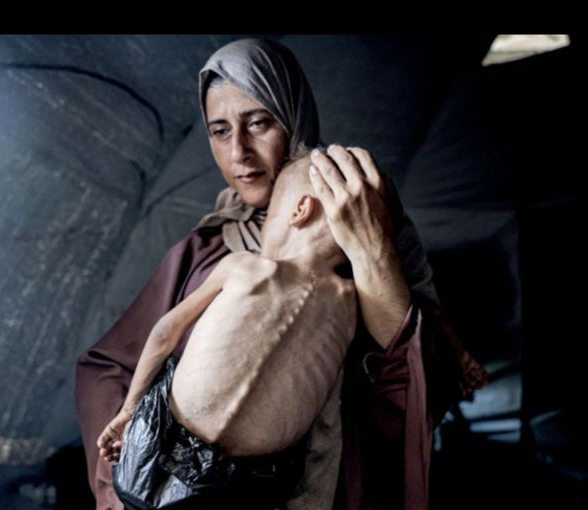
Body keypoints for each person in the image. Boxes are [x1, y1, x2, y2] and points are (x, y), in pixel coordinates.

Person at [76, 38, 487, 510]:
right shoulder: (205, 250)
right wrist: (124, 481)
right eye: (220, 131)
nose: (240, 153)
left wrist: (373, 251)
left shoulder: (364, 255)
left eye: (258, 123)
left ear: (293, 118)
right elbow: (107, 366)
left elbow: (412, 385)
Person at [97, 153, 359, 509]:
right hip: (213, 467)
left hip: (177, 455)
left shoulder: (245, 266)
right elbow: (328, 421)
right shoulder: (347, 306)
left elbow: (164, 334)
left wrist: (129, 409)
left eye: (270, 218)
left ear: (299, 211)